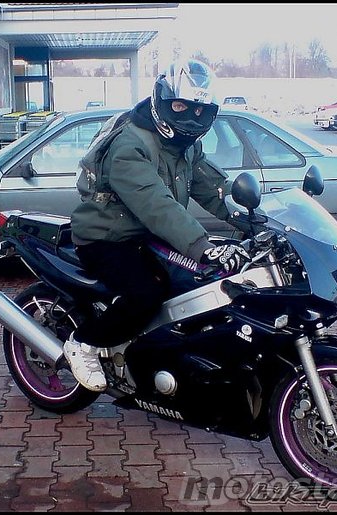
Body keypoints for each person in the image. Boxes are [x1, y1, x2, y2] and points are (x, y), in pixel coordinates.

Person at [63, 58, 246, 391]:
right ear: (161, 101)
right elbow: (156, 204)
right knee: (147, 292)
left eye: (199, 110)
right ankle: (84, 343)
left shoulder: (185, 146)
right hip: (107, 237)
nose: (190, 117)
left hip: (147, 236)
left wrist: (250, 218)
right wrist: (202, 246)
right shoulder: (130, 145)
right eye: (180, 106)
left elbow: (213, 188)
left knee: (200, 284)